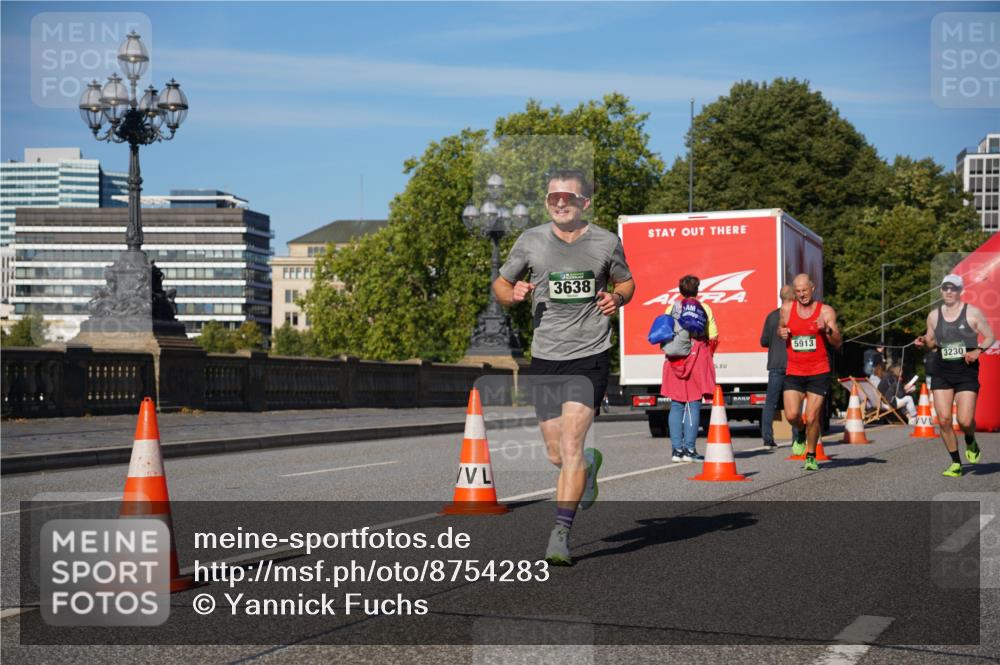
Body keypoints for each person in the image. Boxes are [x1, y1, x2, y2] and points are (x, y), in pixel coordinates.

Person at [494, 169, 635, 566]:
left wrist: (617, 299)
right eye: (553, 196)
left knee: (571, 445)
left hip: (589, 355)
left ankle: (561, 532)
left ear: (584, 203)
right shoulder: (531, 240)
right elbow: (501, 284)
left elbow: (627, 282)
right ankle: (588, 467)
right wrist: (514, 292)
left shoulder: (607, 242)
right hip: (545, 357)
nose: (560, 202)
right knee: (557, 454)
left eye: (568, 197)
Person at [914, 274, 995, 477]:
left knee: (965, 420)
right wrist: (924, 341)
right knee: (943, 419)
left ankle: (970, 439)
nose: (949, 291)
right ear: (941, 290)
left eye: (953, 288)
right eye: (945, 288)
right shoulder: (933, 316)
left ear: (960, 291)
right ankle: (956, 462)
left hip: (966, 371)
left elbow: (990, 336)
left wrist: (978, 350)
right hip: (942, 371)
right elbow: (932, 342)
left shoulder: (972, 313)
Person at [778, 273, 843, 471]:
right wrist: (781, 333)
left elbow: (838, 342)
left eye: (804, 290)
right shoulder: (788, 308)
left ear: (812, 289)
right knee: (791, 415)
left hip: (818, 371)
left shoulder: (825, 311)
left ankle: (811, 455)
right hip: (795, 370)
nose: (801, 295)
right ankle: (799, 430)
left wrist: (827, 330)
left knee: (813, 416)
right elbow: (780, 329)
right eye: (797, 291)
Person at [660, 275, 718, 462]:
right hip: (697, 358)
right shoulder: (705, 308)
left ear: (680, 291)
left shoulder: (671, 308)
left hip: (675, 359)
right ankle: (690, 450)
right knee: (693, 404)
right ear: (697, 290)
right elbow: (713, 336)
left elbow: (665, 332)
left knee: (676, 404)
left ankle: (676, 451)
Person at [759, 285, 799, 449]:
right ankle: (797, 437)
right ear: (794, 298)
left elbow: (764, 341)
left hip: (775, 365)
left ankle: (768, 439)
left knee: (770, 403)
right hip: (793, 364)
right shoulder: (798, 316)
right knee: (794, 403)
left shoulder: (771, 317)